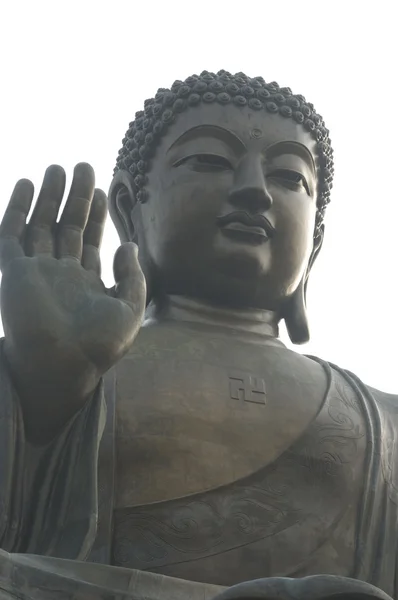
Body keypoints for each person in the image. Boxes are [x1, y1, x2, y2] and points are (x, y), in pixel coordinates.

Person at [0, 71, 396, 600]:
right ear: (128, 209)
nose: (255, 190)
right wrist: (39, 383)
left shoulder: (384, 424)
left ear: (315, 240)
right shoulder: (75, 372)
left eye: (289, 177)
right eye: (210, 160)